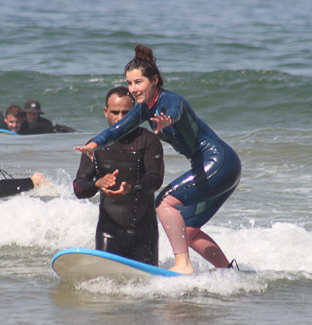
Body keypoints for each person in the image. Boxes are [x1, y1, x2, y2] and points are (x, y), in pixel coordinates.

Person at [75, 45, 241, 274]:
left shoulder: (170, 100)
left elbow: (175, 111)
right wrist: (94, 145)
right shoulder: (143, 110)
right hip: (215, 167)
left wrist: (167, 121)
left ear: (154, 80)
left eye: (138, 82)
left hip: (218, 161)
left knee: (164, 202)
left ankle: (183, 265)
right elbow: (117, 130)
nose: (133, 89)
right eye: (130, 83)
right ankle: (229, 272)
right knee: (189, 228)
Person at [73, 87, 164, 266]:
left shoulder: (148, 140)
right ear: (106, 112)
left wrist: (130, 188)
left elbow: (155, 179)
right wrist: (97, 183)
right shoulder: (94, 146)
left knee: (146, 290)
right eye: (115, 112)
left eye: (126, 113)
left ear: (136, 113)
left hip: (144, 232)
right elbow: (79, 188)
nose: (120, 118)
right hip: (108, 232)